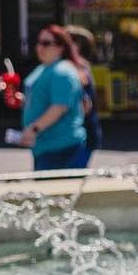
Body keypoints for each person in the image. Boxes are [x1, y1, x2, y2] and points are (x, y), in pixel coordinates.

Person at [18, 25, 90, 172]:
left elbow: (60, 107)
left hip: (61, 148)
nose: (40, 47)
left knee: (54, 193)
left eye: (46, 43)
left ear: (60, 47)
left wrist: (34, 129)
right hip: (45, 147)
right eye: (38, 42)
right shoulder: (44, 68)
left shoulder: (62, 71)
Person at [65, 26, 103, 167]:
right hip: (86, 132)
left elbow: (85, 105)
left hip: (84, 134)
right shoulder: (80, 66)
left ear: (76, 46)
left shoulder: (78, 69)